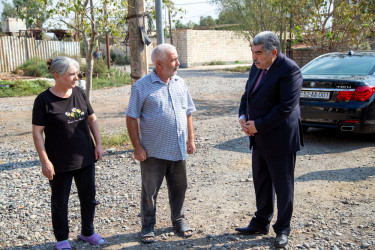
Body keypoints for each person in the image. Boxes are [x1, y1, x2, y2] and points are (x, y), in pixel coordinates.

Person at [236, 31, 303, 248]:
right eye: (253, 52)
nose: (254, 58)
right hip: (259, 137)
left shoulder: (289, 70)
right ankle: (261, 222)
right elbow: (247, 95)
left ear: (273, 52)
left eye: (258, 53)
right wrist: (243, 117)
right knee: (262, 182)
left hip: (280, 138)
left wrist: (258, 124)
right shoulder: (256, 68)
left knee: (283, 186)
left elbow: (286, 107)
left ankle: (282, 229)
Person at [32, 56, 106, 250]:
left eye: (77, 73)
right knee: (60, 202)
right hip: (59, 162)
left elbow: (92, 119)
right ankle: (62, 240)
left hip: (86, 157)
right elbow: (37, 132)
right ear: (56, 75)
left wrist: (98, 144)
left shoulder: (80, 93)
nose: (76, 77)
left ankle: (87, 232)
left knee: (89, 197)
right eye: (71, 74)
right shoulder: (43, 100)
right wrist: (44, 161)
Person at [126, 43, 196, 244]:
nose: (178, 63)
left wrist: (190, 139)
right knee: (150, 191)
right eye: (173, 60)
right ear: (159, 64)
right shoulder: (141, 86)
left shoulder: (179, 82)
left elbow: (188, 112)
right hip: (153, 151)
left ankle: (179, 220)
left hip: (178, 149)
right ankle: (148, 226)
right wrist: (137, 147)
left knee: (180, 187)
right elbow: (131, 117)